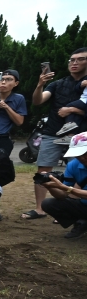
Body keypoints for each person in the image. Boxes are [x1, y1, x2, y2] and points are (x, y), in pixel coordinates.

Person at [26, 48, 87, 220]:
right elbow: (38, 101)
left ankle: (73, 209)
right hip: (53, 132)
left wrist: (74, 110)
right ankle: (40, 209)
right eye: (71, 60)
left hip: (81, 136)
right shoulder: (58, 83)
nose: (74, 63)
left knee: (79, 171)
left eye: (80, 59)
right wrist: (40, 84)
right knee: (43, 170)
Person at [40, 132, 87, 239]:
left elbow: (67, 189)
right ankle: (82, 222)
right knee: (49, 204)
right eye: (78, 154)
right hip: (84, 205)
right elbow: (63, 195)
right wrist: (50, 186)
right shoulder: (73, 165)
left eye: (85, 153)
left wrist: (65, 188)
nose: (81, 158)